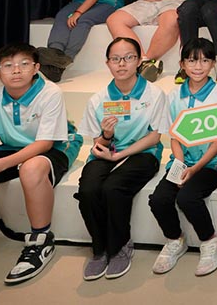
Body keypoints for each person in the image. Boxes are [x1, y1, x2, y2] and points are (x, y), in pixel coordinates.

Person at [0, 44, 81, 285]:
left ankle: (40, 241)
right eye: (8, 65)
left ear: (36, 68)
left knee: (31, 169)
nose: (16, 70)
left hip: (55, 145)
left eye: (24, 64)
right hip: (12, 147)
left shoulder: (50, 92)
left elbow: (44, 144)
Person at [77, 37, 168, 280]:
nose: (121, 64)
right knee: (88, 190)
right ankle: (99, 249)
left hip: (143, 153)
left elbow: (154, 136)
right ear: (107, 63)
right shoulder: (98, 99)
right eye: (115, 59)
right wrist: (107, 136)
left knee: (113, 187)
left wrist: (119, 155)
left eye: (128, 57)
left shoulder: (154, 94)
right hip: (107, 151)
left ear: (138, 61)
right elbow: (97, 142)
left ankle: (119, 247)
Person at [148, 37, 217, 278]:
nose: (198, 66)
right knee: (159, 199)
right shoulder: (174, 96)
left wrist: (196, 168)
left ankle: (211, 241)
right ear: (182, 64)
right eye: (192, 61)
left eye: (205, 61)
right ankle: (175, 239)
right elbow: (174, 136)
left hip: (213, 163)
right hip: (182, 160)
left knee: (187, 197)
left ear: (213, 64)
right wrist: (181, 163)